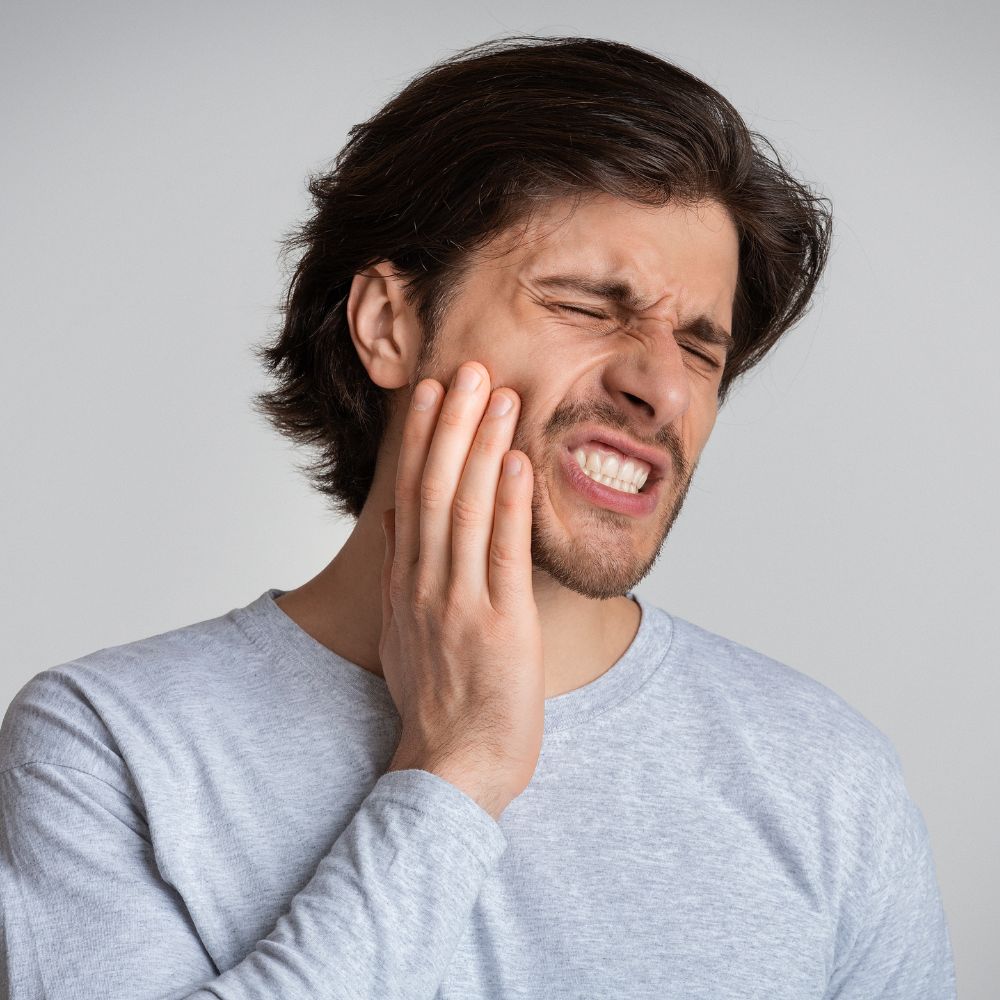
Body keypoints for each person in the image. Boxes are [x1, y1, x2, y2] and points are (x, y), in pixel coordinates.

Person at [0, 34, 956, 999]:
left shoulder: (827, 778)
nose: (662, 386)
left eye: (702, 351)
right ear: (390, 325)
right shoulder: (111, 746)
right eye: (587, 304)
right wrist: (454, 775)